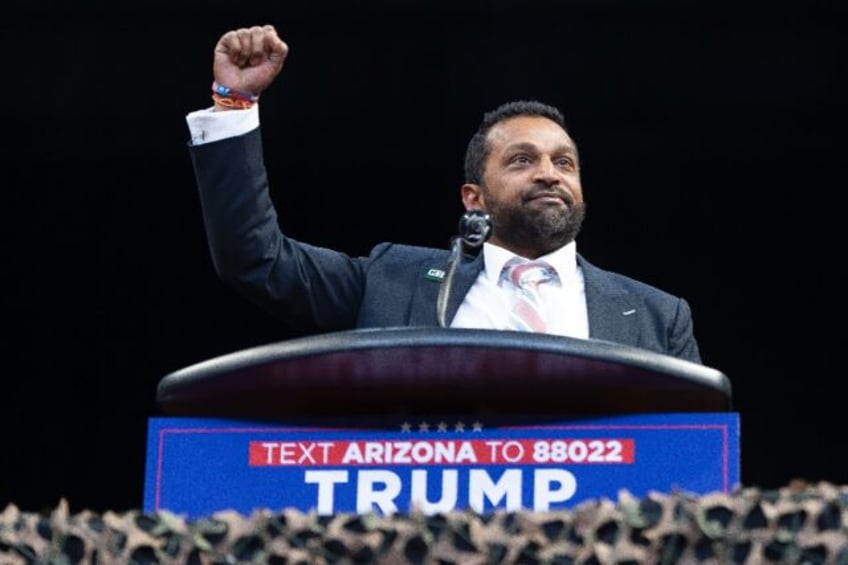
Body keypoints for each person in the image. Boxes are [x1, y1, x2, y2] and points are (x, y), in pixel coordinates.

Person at [185, 24, 703, 364]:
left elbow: (695, 453)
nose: (549, 173)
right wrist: (234, 103)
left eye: (563, 162)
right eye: (522, 160)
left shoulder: (657, 316)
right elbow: (255, 257)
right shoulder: (392, 281)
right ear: (472, 198)